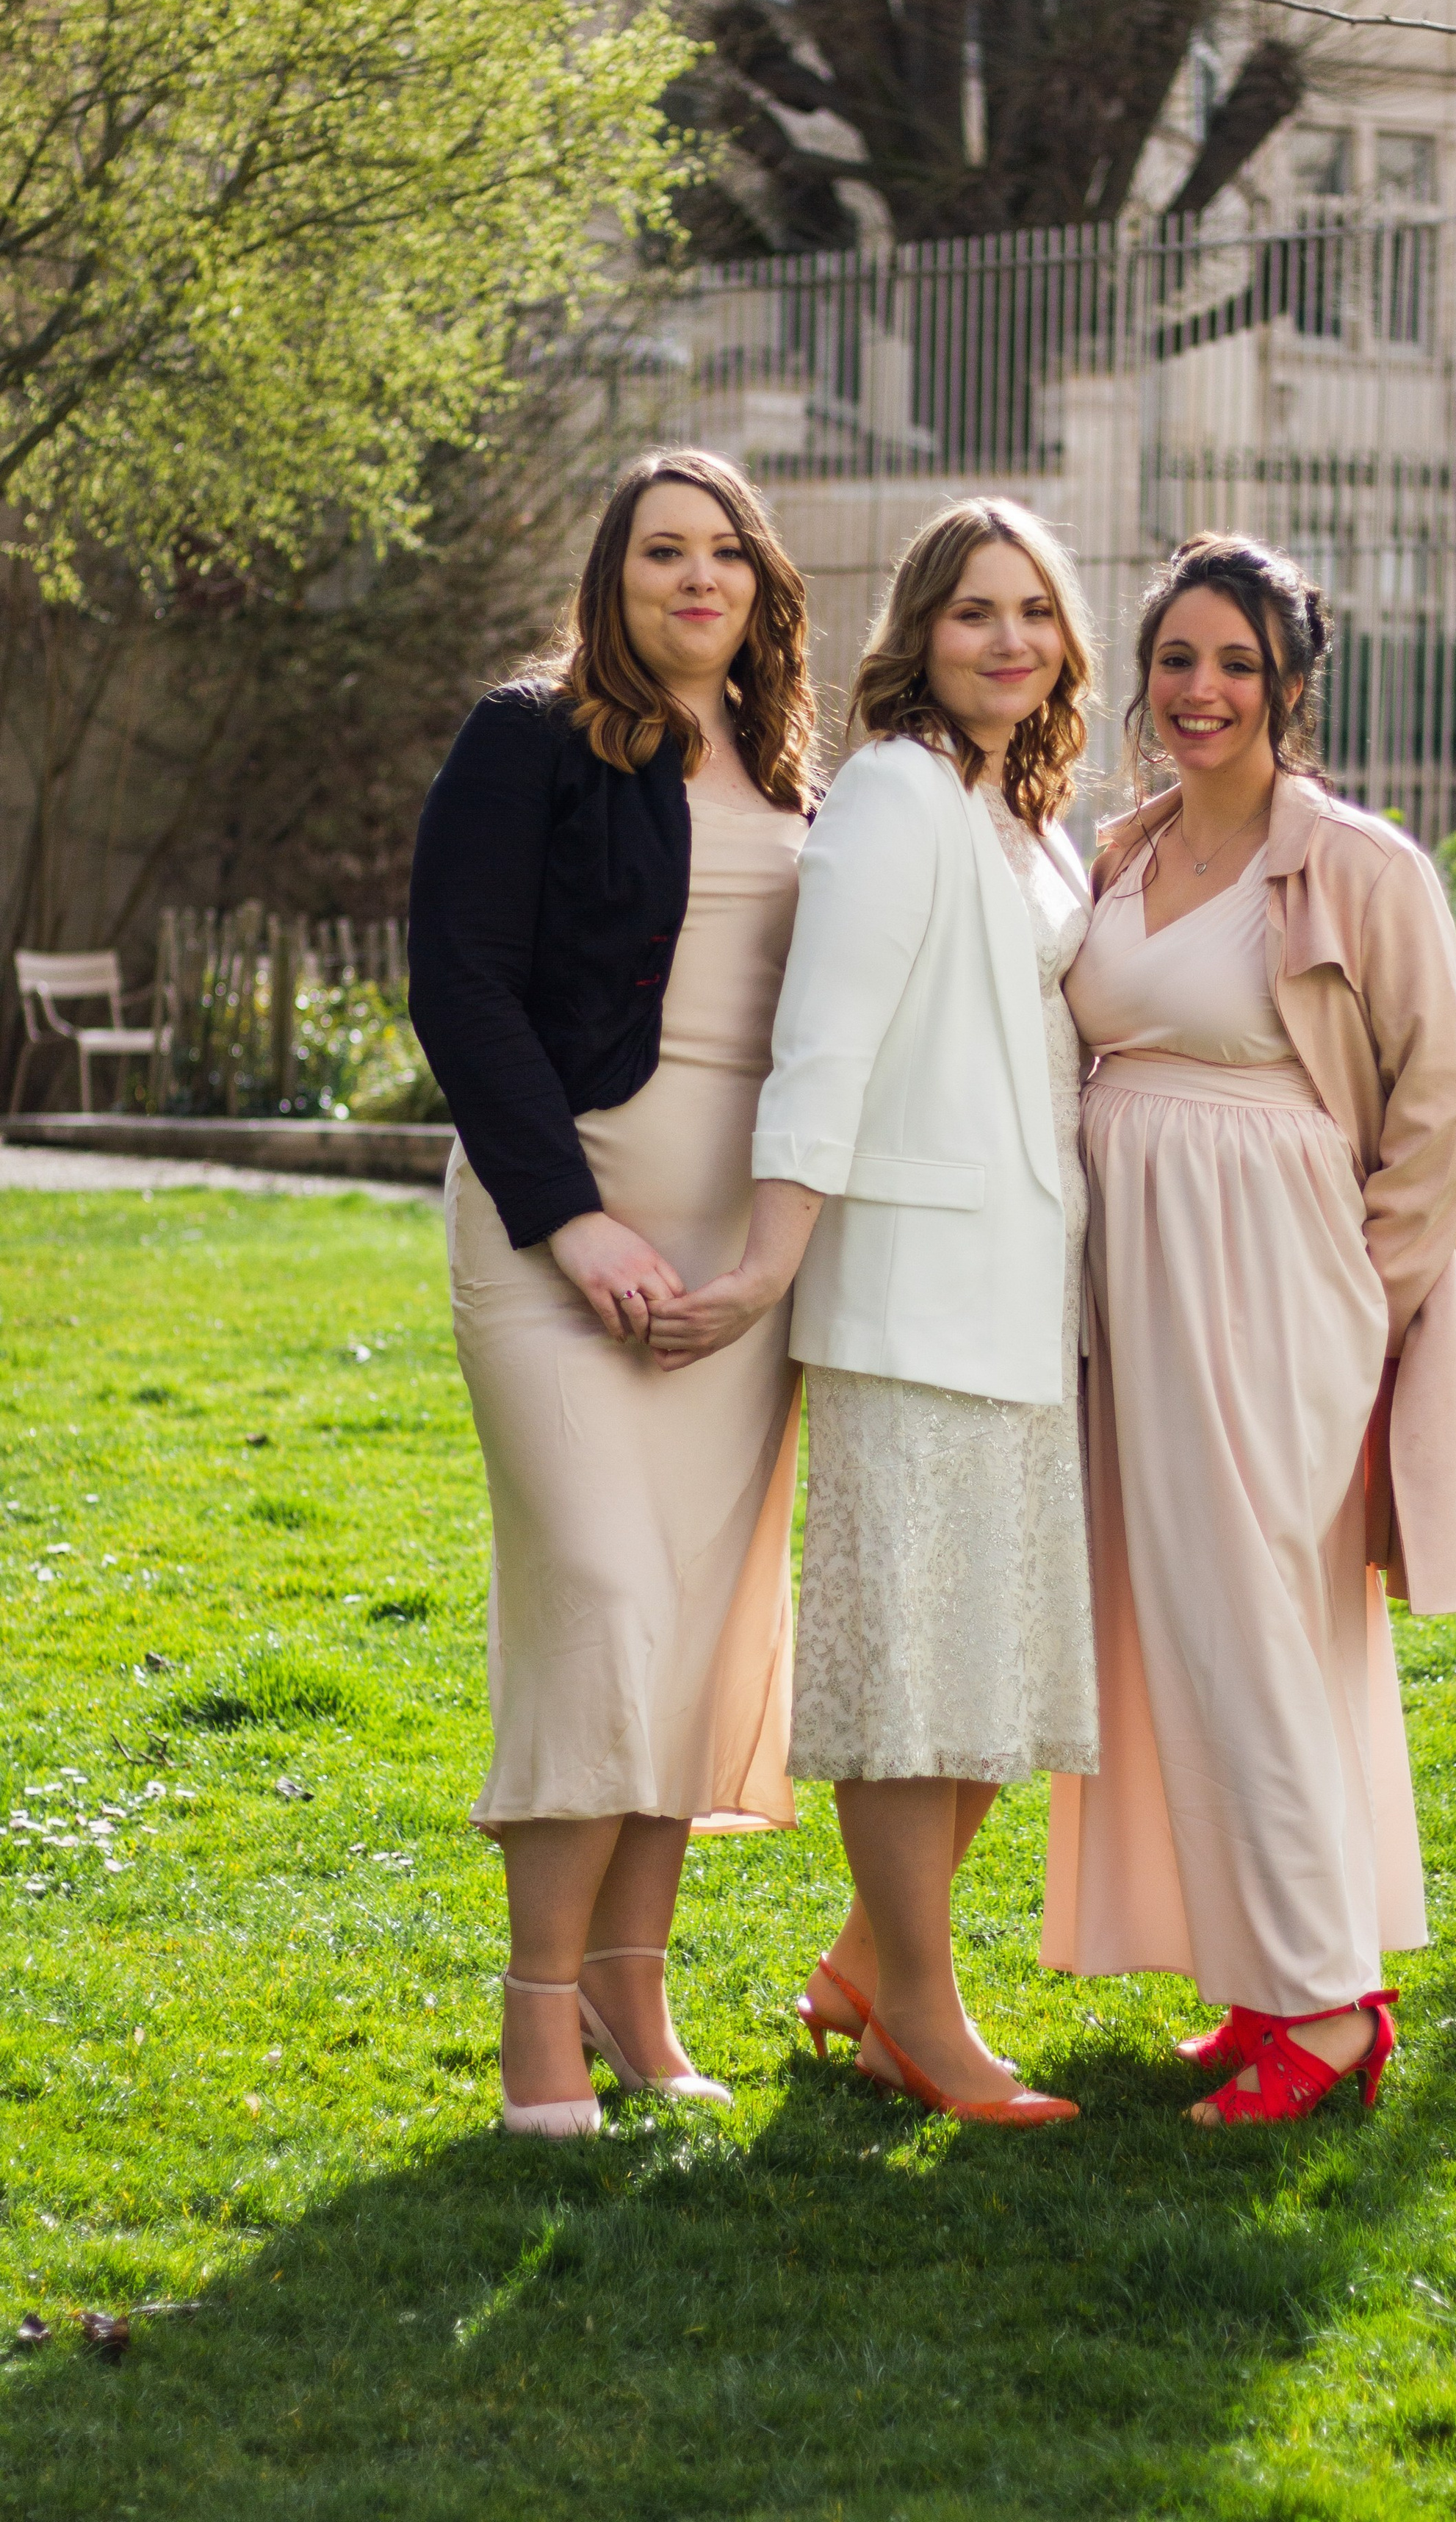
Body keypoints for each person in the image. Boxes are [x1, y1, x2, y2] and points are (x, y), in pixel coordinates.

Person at [1041, 532, 1456, 2126]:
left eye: (1235, 664)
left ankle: (1326, 2011)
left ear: (1290, 685)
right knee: (1177, 1622)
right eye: (1177, 658)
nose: (1199, 691)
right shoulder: (1116, 851)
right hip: (1139, 1280)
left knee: (1254, 1616)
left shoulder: (1358, 868)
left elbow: (1439, 1112)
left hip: (1283, 1285)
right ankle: (1264, 1974)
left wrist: (1370, 1309)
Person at [649, 499, 1097, 2127]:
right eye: (974, 611)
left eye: (1032, 613)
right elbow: (821, 1043)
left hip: (1024, 1293)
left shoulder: (1022, 813)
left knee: (988, 1668)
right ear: (918, 633)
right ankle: (918, 2011)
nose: (1006, 640)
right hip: (912, 1300)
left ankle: (856, 1963)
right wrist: (772, 1260)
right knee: (917, 1679)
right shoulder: (897, 799)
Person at [407, 448, 818, 2137]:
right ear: (612, 575)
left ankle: (635, 1999)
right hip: (551, 1240)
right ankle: (532, 2016)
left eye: (725, 554)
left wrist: (764, 1260)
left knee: (698, 1630)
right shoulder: (530, 739)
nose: (696, 580)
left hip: (738, 1277)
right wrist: (572, 1224)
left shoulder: (803, 776)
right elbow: (459, 987)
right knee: (600, 1601)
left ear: (760, 585)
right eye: (662, 552)